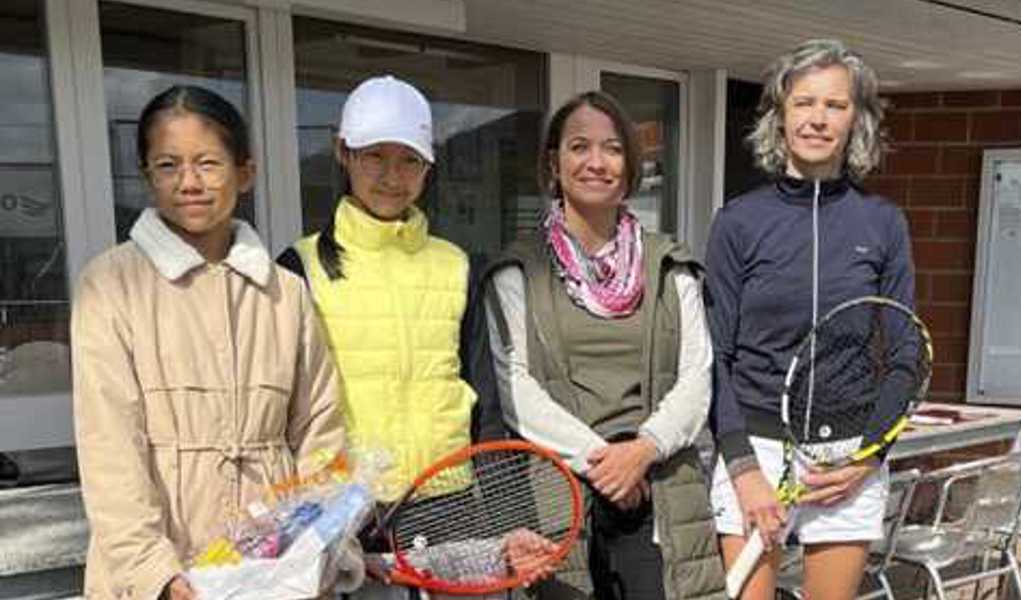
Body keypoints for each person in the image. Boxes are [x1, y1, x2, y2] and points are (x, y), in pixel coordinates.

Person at [72, 85, 359, 600]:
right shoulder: (109, 284)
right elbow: (108, 446)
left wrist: (316, 546)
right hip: (163, 568)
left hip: (272, 570)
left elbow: (321, 431)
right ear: (146, 176)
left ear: (244, 172)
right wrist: (155, 573)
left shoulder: (286, 293)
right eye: (167, 166)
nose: (189, 182)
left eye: (208, 163)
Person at [483, 90, 726, 600]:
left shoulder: (670, 266)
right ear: (554, 162)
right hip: (562, 492)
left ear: (631, 165)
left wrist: (642, 450)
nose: (596, 162)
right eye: (579, 147)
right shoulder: (517, 271)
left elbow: (696, 375)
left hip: (660, 490)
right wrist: (606, 460)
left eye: (612, 148)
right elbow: (516, 388)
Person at [276, 75, 505, 596]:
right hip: (350, 514)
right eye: (374, 156)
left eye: (409, 160)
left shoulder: (457, 265)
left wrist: (497, 505)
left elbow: (484, 395)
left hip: (450, 499)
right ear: (343, 153)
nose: (391, 176)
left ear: (428, 167)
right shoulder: (300, 266)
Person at [705, 39, 914, 600]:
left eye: (835, 105)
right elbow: (713, 359)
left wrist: (869, 457)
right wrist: (745, 469)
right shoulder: (738, 222)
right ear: (780, 115)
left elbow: (904, 356)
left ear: (857, 120)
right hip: (756, 450)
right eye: (803, 103)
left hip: (846, 457)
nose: (818, 118)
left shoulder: (883, 224)